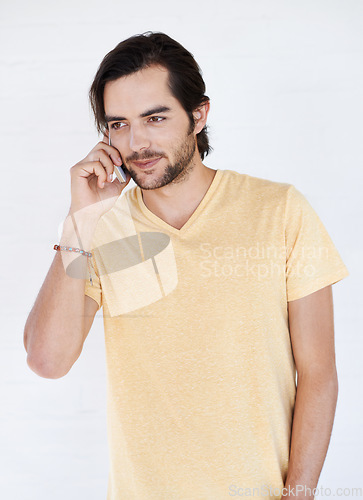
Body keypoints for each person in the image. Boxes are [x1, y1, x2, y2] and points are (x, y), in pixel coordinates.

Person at [23, 32, 349, 500]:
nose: (137, 142)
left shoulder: (278, 210)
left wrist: (298, 494)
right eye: (118, 124)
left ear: (199, 114)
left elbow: (318, 372)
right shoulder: (100, 230)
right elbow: (47, 361)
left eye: (155, 118)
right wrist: (80, 221)